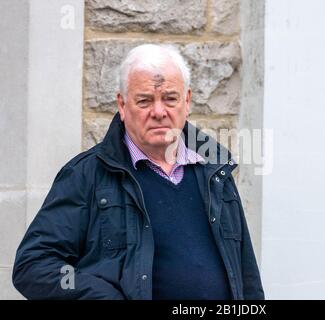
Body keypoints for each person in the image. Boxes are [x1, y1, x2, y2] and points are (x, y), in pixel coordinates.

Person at [12, 44, 265, 300]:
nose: (158, 112)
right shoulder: (86, 175)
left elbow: (246, 275)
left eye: (170, 98)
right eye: (144, 101)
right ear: (122, 105)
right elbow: (33, 266)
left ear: (187, 101)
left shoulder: (216, 172)